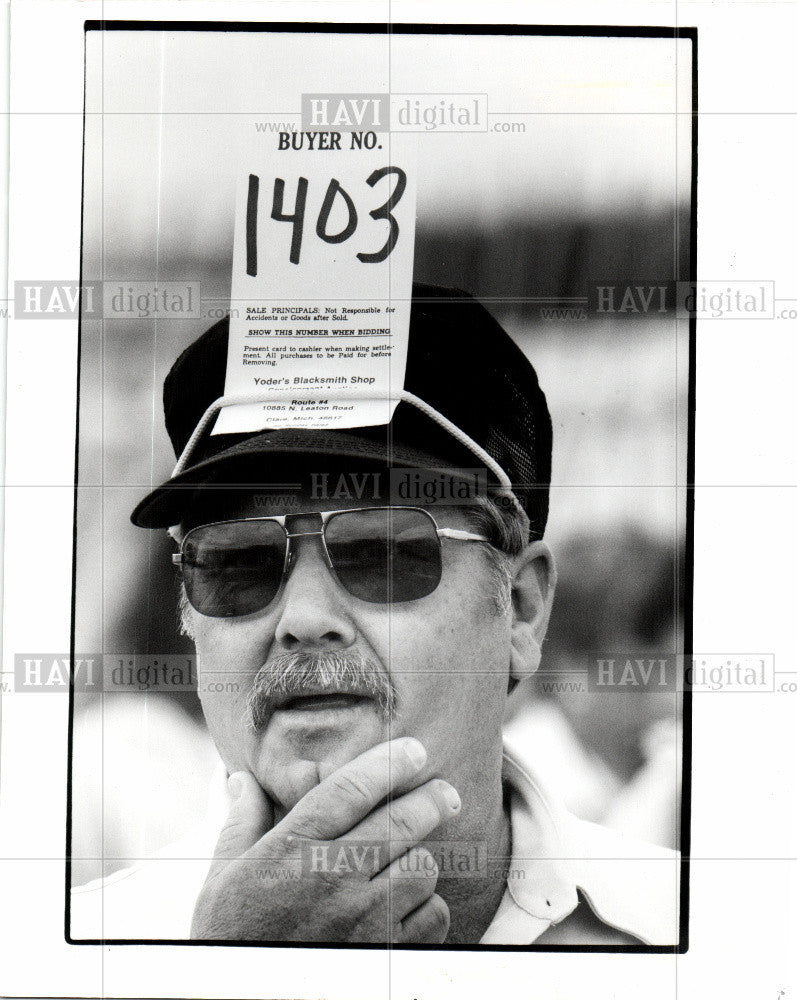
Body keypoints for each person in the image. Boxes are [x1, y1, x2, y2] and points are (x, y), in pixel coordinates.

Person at [71, 283, 680, 945]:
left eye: (382, 555)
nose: (302, 618)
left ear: (521, 612)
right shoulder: (75, 951)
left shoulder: (709, 935)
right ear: (188, 613)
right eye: (238, 564)